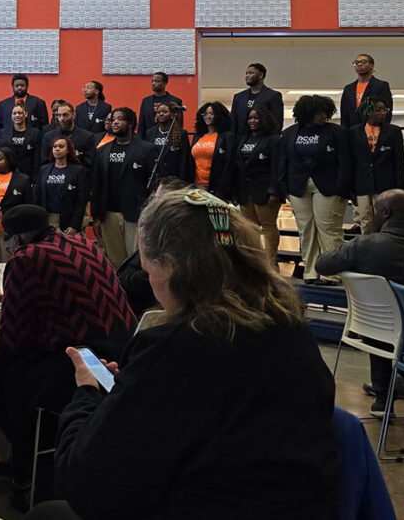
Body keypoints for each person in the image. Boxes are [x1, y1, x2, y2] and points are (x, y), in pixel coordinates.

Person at [45, 189, 338, 520]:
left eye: (147, 269)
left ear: (170, 267)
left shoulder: (178, 346)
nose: (149, 283)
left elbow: (86, 483)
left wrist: (86, 395)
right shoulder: (290, 326)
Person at [0, 204, 135, 512]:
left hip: (87, 365)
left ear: (16, 238)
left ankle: (27, 475)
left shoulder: (26, 259)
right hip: (122, 359)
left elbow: (13, 337)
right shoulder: (78, 241)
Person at [316, 189, 404, 416]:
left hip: (374, 329)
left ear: (385, 212)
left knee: (383, 322)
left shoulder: (364, 246)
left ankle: (383, 397)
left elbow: (322, 265)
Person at [277, 95, 352, 284]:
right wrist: (283, 187)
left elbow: (345, 162)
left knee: (329, 229)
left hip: (329, 186)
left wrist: (344, 188)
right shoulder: (289, 133)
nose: (323, 116)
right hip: (298, 187)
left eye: (325, 113)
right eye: (318, 113)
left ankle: (332, 273)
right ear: (306, 113)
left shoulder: (337, 132)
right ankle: (310, 271)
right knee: (306, 229)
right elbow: (283, 162)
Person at [114, 176, 188, 320]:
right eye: (153, 197)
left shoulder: (171, 243)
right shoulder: (157, 232)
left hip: (143, 315)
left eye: (156, 199)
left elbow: (142, 281)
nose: (151, 204)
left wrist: (115, 282)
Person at [91, 108, 154, 267]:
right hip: (108, 214)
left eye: (120, 119)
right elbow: (96, 184)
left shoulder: (147, 149)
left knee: (136, 261)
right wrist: (96, 216)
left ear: (131, 123)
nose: (116, 122)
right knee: (114, 262)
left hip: (135, 213)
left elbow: (154, 184)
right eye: (113, 120)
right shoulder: (101, 151)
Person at [230, 107, 282, 265]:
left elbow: (277, 167)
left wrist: (274, 191)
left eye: (256, 118)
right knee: (249, 228)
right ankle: (254, 262)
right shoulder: (243, 138)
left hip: (265, 190)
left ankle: (270, 262)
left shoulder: (274, 139)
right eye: (250, 118)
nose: (252, 121)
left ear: (264, 120)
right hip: (245, 191)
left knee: (267, 226)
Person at [348, 98, 404, 235]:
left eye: (384, 110)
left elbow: (399, 162)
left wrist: (400, 189)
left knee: (385, 219)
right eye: (378, 110)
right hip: (362, 184)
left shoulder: (394, 131)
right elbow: (351, 161)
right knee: (365, 220)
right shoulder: (354, 132)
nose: (382, 113)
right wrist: (350, 189)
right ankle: (368, 250)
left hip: (386, 183)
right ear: (368, 112)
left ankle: (384, 248)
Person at [34, 137, 88, 236]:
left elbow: (81, 201)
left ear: (68, 150)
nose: (57, 149)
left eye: (61, 146)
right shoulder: (44, 169)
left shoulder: (78, 170)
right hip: (47, 218)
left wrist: (74, 225)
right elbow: (37, 197)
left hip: (68, 219)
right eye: (54, 146)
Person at [190, 101, 235, 199]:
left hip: (216, 187)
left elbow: (229, 164)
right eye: (205, 114)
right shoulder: (198, 136)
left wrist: (222, 189)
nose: (207, 116)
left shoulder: (226, 136)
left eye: (211, 113)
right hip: (196, 185)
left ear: (219, 115)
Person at [340, 54, 393, 129]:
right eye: (356, 63)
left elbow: (387, 111)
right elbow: (344, 113)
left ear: (371, 65)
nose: (359, 64)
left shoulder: (381, 85)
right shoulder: (348, 89)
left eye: (363, 62)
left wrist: (383, 130)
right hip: (352, 131)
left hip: (374, 129)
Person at [144, 101, 192, 184]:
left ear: (172, 115)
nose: (161, 114)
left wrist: (182, 181)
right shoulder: (150, 133)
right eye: (159, 112)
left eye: (165, 112)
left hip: (173, 179)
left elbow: (184, 160)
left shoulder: (181, 133)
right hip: (154, 178)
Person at [231, 62, 284, 136]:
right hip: (240, 142)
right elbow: (233, 123)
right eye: (246, 73)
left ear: (261, 75)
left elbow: (277, 124)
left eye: (251, 73)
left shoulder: (273, 96)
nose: (247, 76)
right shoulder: (238, 97)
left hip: (263, 141)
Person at [40, 102, 96, 168]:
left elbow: (89, 164)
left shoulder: (87, 137)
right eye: (59, 115)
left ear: (74, 115)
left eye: (65, 115)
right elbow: (44, 163)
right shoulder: (48, 137)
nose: (62, 119)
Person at [137, 72, 183, 140]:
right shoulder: (146, 101)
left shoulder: (175, 101)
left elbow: (179, 123)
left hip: (168, 138)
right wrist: (140, 141)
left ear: (164, 83)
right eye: (152, 81)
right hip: (149, 140)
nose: (153, 83)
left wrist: (176, 139)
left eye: (157, 81)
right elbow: (141, 124)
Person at [0, 103, 42, 177]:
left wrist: (35, 179)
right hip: (8, 174)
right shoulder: (3, 134)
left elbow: (37, 159)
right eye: (14, 113)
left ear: (26, 114)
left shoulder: (35, 133)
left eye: (20, 113)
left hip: (28, 173)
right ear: (11, 116)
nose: (17, 115)